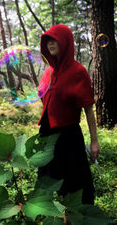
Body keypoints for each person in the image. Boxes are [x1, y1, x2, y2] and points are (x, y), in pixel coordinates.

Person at [38, 24, 99, 205]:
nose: (50, 44)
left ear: (65, 41)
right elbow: (45, 99)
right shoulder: (48, 71)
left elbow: (88, 108)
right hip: (46, 135)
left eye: (54, 39)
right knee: (47, 182)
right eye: (47, 40)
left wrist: (94, 141)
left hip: (68, 137)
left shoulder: (78, 71)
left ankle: (73, 218)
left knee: (74, 184)